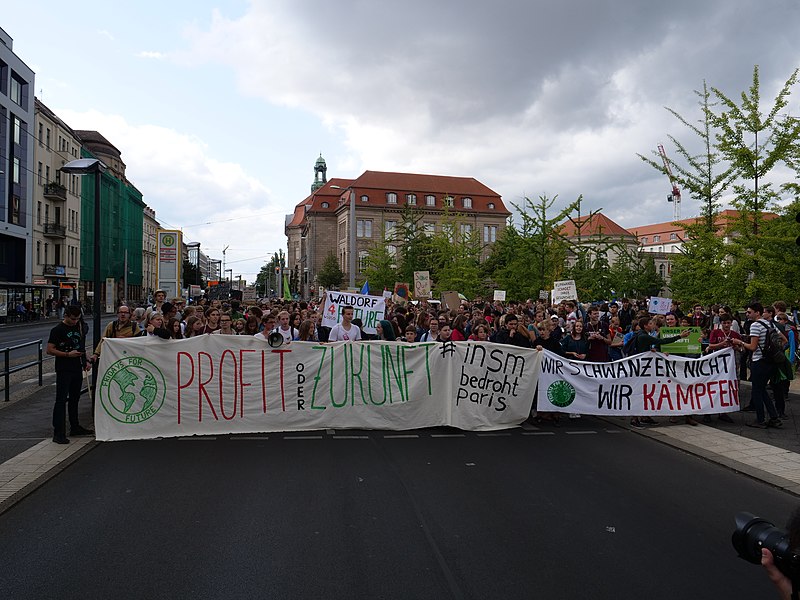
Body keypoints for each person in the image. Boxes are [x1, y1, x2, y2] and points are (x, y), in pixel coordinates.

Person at [46, 305, 93, 444]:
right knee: (61, 400)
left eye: (77, 319)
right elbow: (49, 350)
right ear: (66, 316)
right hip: (64, 368)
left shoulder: (78, 327)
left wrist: (85, 360)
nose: (75, 321)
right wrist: (67, 354)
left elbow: (81, 346)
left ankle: (75, 426)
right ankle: (58, 432)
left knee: (74, 398)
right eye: (73, 319)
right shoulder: (57, 330)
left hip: (77, 367)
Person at [737, 302, 783, 429]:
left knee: (757, 391)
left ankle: (760, 419)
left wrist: (739, 342)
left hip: (759, 361)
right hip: (771, 361)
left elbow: (752, 347)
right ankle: (774, 417)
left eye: (749, 312)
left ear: (757, 313)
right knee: (762, 389)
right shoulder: (770, 323)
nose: (747, 314)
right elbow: (783, 340)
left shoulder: (755, 325)